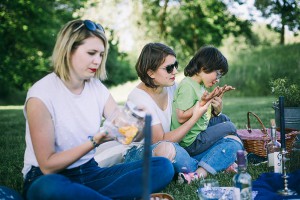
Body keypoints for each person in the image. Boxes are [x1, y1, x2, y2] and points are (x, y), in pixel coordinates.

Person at [22, 19, 174, 200]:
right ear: (68, 50)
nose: (97, 60)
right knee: (50, 189)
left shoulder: (97, 88)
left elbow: (123, 127)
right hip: (47, 177)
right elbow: (48, 165)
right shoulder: (40, 96)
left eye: (101, 54)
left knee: (163, 167)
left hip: (89, 172)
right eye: (91, 53)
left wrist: (134, 121)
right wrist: (95, 141)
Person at [124, 42, 207, 184]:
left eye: (176, 65)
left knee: (232, 140)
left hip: (178, 146)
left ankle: (196, 170)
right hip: (143, 152)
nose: (174, 71)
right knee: (166, 149)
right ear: (150, 72)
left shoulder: (172, 86)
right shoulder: (138, 98)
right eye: (169, 68)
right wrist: (194, 118)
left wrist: (212, 104)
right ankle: (204, 167)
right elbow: (160, 140)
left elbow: (189, 112)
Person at [171, 45, 244, 182]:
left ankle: (230, 154)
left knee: (223, 118)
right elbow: (181, 116)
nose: (218, 79)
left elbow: (203, 116)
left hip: (198, 131)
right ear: (204, 67)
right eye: (218, 74)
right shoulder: (188, 85)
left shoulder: (200, 86)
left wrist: (216, 108)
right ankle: (233, 156)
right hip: (191, 141)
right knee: (230, 127)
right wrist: (204, 103)